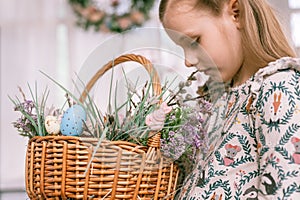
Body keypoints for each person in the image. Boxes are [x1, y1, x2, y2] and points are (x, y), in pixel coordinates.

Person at [159, 0, 300, 199]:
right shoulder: (214, 103)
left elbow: (287, 190)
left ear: (236, 13)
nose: (188, 60)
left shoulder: (278, 87)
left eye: (194, 42)